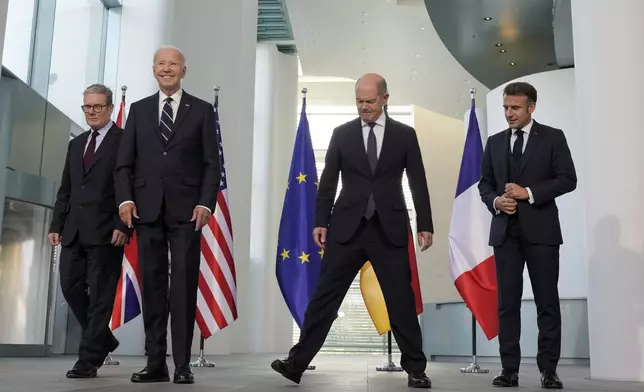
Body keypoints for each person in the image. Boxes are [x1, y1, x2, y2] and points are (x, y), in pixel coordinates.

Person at [271, 73, 433, 389]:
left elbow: (417, 180)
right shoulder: (342, 134)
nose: (364, 107)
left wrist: (425, 224)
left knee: (400, 300)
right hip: (346, 229)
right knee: (323, 300)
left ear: (385, 98)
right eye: (359, 101)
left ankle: (416, 369)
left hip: (389, 230)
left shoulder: (404, 135)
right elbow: (328, 180)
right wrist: (320, 221)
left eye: (370, 101)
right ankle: (296, 364)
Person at [114, 45, 220, 384]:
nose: (166, 69)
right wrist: (125, 200)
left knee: (184, 288)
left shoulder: (202, 111)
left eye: (173, 64)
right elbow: (123, 164)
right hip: (146, 211)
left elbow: (210, 164)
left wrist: (205, 204)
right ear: (153, 69)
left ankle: (183, 365)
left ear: (184, 71)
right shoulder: (140, 110)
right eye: (161, 64)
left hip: (188, 212)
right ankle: (155, 364)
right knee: (154, 288)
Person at [478, 81, 577, 389]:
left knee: (547, 301)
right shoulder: (494, 142)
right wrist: (497, 201)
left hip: (542, 232)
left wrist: (529, 192)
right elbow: (485, 184)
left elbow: (567, 179)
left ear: (531, 107)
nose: (509, 113)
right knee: (507, 303)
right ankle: (509, 369)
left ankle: (549, 370)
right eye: (506, 107)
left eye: (515, 108)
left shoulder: (552, 138)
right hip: (505, 233)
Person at [48, 83, 131, 378]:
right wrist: (56, 224)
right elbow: (66, 188)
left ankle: (88, 360)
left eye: (98, 106)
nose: (92, 112)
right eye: (87, 106)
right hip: (73, 231)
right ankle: (103, 339)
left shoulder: (124, 141)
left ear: (110, 108)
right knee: (70, 288)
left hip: (108, 231)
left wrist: (124, 225)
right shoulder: (76, 143)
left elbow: (129, 188)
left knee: (100, 296)